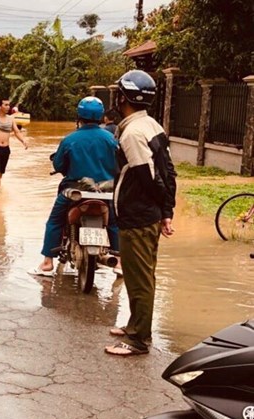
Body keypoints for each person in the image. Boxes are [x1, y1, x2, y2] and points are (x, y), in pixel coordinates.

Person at [105, 70, 177, 357]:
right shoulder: (150, 125)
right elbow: (169, 173)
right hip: (147, 213)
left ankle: (138, 339)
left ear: (124, 97)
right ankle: (135, 324)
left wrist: (160, 210)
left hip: (138, 216)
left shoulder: (133, 133)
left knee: (139, 278)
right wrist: (166, 210)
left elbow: (149, 177)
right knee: (140, 275)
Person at [32, 97, 119, 276]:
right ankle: (119, 263)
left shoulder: (70, 139)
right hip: (107, 193)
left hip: (74, 192)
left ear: (79, 116)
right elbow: (120, 165)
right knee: (115, 222)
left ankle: (47, 262)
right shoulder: (112, 139)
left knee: (55, 221)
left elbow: (58, 166)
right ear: (101, 116)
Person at [0, 98, 28, 193]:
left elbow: (17, 132)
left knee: (0, 174)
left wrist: (23, 140)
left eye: (9, 105)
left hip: (6, 150)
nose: (8, 107)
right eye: (6, 105)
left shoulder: (11, 119)